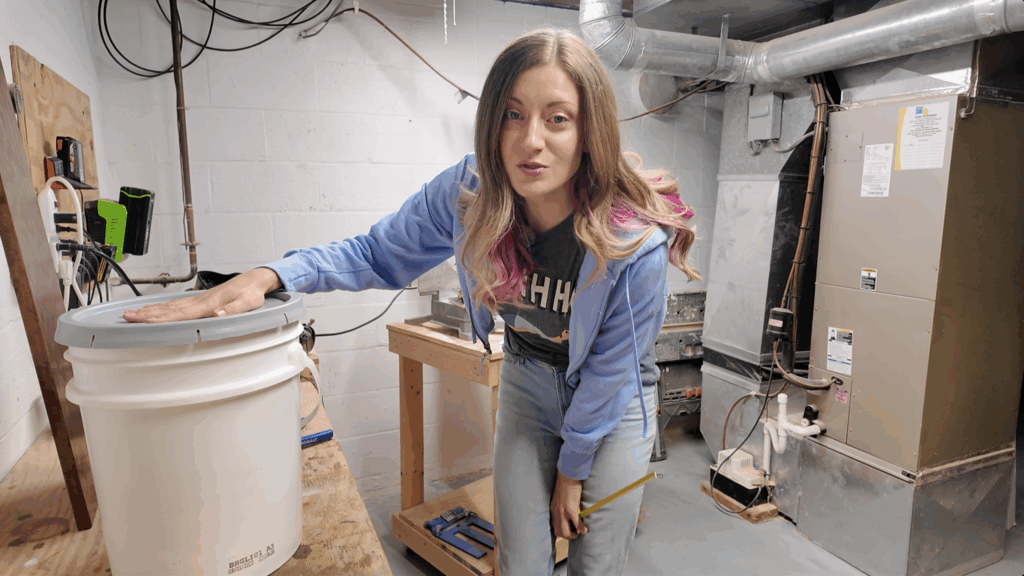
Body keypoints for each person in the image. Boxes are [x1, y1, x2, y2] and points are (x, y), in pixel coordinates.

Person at [124, 28, 698, 576]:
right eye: (512, 115)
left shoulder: (632, 243)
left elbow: (611, 371)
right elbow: (376, 253)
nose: (531, 141)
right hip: (528, 382)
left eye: (558, 119)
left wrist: (572, 474)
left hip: (613, 407)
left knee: (596, 563)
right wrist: (273, 273)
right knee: (521, 561)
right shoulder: (469, 194)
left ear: (587, 129)